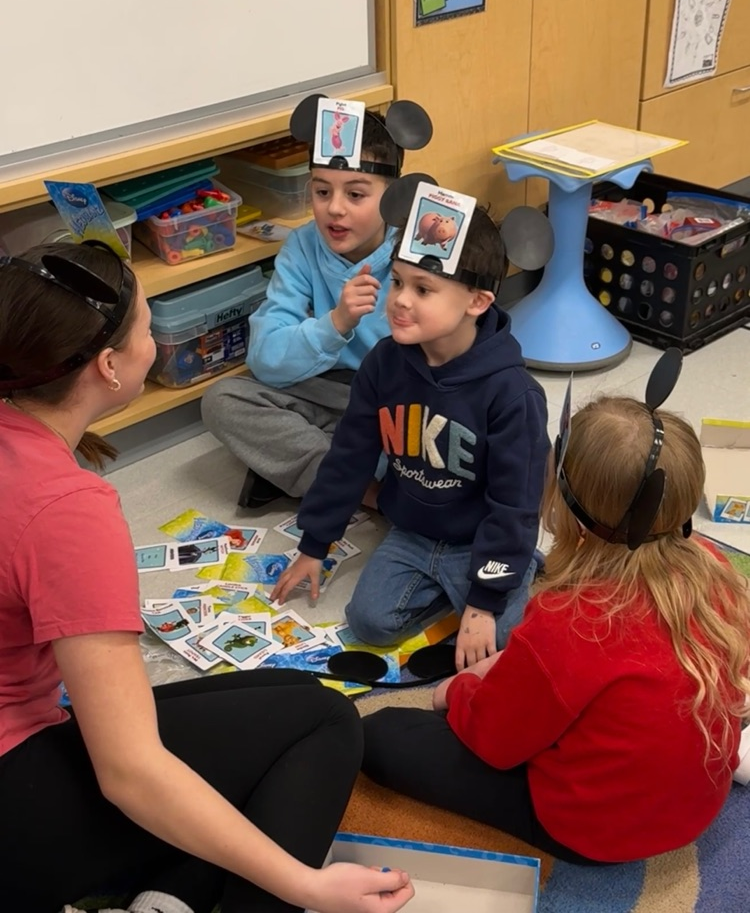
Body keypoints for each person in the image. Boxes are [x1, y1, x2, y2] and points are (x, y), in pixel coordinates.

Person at [0, 241, 414, 913]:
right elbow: (130, 773)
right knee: (325, 722)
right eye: (145, 325)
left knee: (277, 696)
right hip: (14, 813)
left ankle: (169, 897)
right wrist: (303, 883)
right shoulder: (65, 507)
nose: (156, 338)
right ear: (108, 367)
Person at [361, 383, 750, 864]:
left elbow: (494, 741)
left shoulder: (571, 621)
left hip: (592, 833)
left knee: (381, 735)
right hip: (692, 813)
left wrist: (455, 693)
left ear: (570, 509)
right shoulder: (718, 567)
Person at [272, 183, 550, 669]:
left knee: (504, 637)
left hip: (479, 536)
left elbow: (515, 503)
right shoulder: (385, 363)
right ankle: (465, 588)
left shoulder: (513, 394)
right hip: (414, 531)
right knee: (369, 624)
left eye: (423, 289)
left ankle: (513, 569)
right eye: (397, 281)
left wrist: (484, 601)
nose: (399, 300)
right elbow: (350, 456)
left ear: (478, 302)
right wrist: (315, 545)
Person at [201, 93, 432, 509]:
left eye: (356, 195)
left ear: (393, 194)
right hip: (329, 391)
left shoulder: (417, 249)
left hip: (400, 399)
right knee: (223, 401)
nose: (334, 210)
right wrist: (337, 322)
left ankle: (322, 470)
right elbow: (266, 360)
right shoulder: (303, 246)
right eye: (322, 191)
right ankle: (361, 490)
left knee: (442, 439)